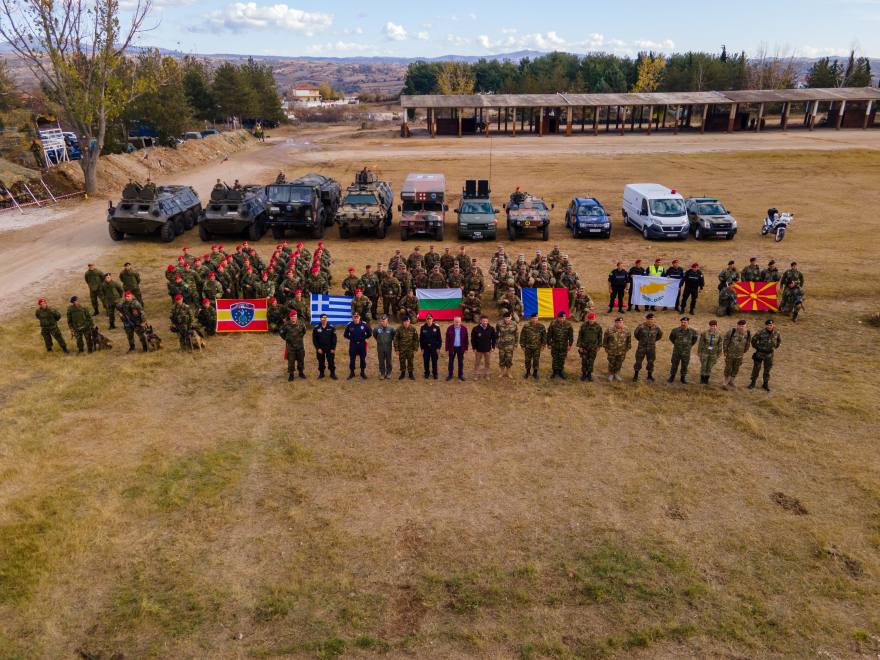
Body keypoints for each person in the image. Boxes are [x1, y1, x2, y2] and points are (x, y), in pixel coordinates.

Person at [749, 319, 781, 391]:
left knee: (767, 369)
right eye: (768, 325)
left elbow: (779, 341)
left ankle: (765, 384)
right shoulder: (761, 332)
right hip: (760, 353)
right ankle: (753, 382)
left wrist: (774, 347)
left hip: (770, 354)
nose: (769, 326)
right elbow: (754, 340)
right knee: (756, 368)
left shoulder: (777, 333)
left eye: (771, 325)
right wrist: (757, 347)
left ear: (773, 325)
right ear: (766, 325)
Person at [668, 317, 698, 384]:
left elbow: (694, 340)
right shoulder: (676, 330)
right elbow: (671, 338)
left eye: (684, 322)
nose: (683, 324)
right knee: (674, 364)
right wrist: (676, 344)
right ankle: (672, 376)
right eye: (682, 322)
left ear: (688, 323)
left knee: (684, 365)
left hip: (686, 352)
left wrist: (688, 345)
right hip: (677, 351)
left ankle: (683, 377)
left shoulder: (692, 331)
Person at [633, 313, 662, 381]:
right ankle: (636, 375)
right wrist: (641, 341)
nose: (650, 321)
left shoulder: (657, 327)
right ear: (646, 319)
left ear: (654, 319)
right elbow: (636, 334)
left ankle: (649, 375)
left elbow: (659, 335)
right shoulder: (641, 326)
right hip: (641, 347)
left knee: (651, 362)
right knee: (638, 361)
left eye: (651, 319)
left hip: (651, 348)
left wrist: (652, 341)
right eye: (649, 319)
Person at [280, 310, 308, 381]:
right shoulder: (286, 325)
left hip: (300, 346)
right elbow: (281, 333)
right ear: (290, 317)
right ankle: (291, 374)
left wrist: (299, 338)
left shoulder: (301, 324)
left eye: (294, 316)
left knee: (301, 360)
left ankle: (301, 373)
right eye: (292, 316)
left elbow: (304, 332)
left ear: (297, 316)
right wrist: (287, 339)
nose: (293, 318)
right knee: (291, 361)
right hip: (290, 347)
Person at [343, 311, 372, 379]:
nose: (356, 319)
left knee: (362, 358)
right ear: (353, 318)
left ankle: (362, 372)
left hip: (362, 343)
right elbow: (345, 335)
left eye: (357, 317)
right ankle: (352, 372)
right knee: (352, 358)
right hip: (353, 344)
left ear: (360, 317)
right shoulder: (349, 325)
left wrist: (363, 338)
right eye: (355, 318)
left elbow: (369, 333)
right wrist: (351, 338)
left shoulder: (364, 325)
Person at [722, 320, 751, 387]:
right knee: (728, 367)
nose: (741, 327)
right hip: (730, 353)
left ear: (745, 326)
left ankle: (732, 380)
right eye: (739, 326)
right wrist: (725, 351)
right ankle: (726, 379)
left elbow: (748, 343)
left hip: (739, 354)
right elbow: (726, 342)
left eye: (742, 326)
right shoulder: (732, 331)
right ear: (737, 325)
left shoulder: (747, 333)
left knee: (736, 367)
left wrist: (744, 351)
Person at [518, 312, 546, 379]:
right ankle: (527, 372)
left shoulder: (541, 326)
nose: (534, 320)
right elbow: (522, 336)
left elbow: (544, 337)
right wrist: (522, 346)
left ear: (538, 318)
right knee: (527, 360)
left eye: (536, 318)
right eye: (533, 318)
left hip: (537, 347)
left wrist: (543, 346)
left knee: (536, 360)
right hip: (528, 347)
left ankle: (535, 373)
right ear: (531, 319)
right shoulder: (526, 325)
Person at [547, 310, 574, 379]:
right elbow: (549, 334)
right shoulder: (553, 323)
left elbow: (571, 336)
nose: (562, 319)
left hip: (564, 345)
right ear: (558, 318)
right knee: (555, 358)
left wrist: (570, 345)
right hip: (555, 344)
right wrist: (549, 344)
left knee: (562, 359)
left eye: (563, 318)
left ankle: (560, 371)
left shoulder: (568, 324)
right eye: (560, 318)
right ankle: (554, 372)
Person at [602, 317, 631, 381]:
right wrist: (606, 347)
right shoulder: (609, 329)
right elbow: (605, 340)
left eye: (620, 322)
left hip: (622, 351)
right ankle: (611, 374)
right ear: (615, 323)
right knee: (611, 362)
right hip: (612, 350)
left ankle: (616, 374)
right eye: (617, 322)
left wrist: (627, 349)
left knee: (619, 362)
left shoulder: (626, 329)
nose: (618, 324)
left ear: (622, 323)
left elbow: (629, 340)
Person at [577, 313, 602, 381]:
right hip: (584, 346)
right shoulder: (584, 325)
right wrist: (580, 346)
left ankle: (589, 374)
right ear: (588, 319)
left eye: (593, 319)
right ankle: (584, 373)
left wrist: (599, 346)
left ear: (595, 319)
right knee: (584, 360)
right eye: (590, 319)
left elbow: (600, 337)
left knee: (591, 361)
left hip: (593, 347)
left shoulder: (598, 326)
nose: (591, 320)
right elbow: (580, 336)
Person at [312, 313, 338, 379]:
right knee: (321, 361)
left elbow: (334, 338)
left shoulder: (331, 327)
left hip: (329, 347)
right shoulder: (316, 327)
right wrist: (318, 348)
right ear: (320, 319)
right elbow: (314, 339)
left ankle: (332, 374)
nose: (324, 320)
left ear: (327, 319)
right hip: (320, 347)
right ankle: (321, 374)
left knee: (331, 361)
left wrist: (333, 348)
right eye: (323, 319)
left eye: (325, 319)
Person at [393, 315, 419, 380]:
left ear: (409, 321)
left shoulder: (413, 329)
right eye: (405, 321)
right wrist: (397, 349)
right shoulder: (399, 329)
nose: (406, 323)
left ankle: (410, 373)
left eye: (407, 321)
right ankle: (403, 373)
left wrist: (415, 349)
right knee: (402, 361)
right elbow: (395, 339)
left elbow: (416, 339)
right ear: (403, 322)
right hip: (402, 349)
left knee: (410, 361)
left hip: (410, 349)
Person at [471, 315, 496, 380]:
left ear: (488, 321)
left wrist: (493, 347)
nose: (485, 322)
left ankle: (487, 374)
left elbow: (494, 339)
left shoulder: (491, 329)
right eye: (483, 321)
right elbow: (473, 339)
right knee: (477, 362)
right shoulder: (475, 329)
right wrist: (474, 348)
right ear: (480, 321)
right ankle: (476, 375)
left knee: (487, 363)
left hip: (488, 350)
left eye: (486, 321)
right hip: (478, 350)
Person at [495, 311, 519, 379]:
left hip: (510, 345)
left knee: (509, 359)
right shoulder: (499, 323)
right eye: (506, 318)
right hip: (501, 345)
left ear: (511, 317)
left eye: (508, 318)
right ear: (504, 318)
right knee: (501, 359)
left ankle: (508, 372)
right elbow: (496, 333)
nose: (507, 319)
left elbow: (516, 335)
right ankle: (502, 372)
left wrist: (515, 345)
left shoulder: (514, 324)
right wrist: (496, 343)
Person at [697, 320, 722, 384]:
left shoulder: (719, 334)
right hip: (705, 352)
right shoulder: (704, 332)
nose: (712, 327)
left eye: (714, 326)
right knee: (703, 366)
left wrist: (719, 353)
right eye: (711, 326)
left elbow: (720, 344)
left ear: (716, 326)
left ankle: (707, 379)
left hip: (713, 353)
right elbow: (701, 342)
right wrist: (699, 351)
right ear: (709, 326)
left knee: (710, 366)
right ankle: (702, 379)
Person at [445, 315, 468, 381]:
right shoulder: (449, 328)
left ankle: (460, 375)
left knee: (460, 362)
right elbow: (447, 340)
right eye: (456, 322)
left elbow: (466, 339)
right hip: (452, 348)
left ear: (461, 321)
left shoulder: (464, 328)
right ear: (454, 321)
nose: (457, 323)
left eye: (459, 322)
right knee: (451, 362)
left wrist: (466, 348)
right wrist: (447, 349)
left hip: (461, 348)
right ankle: (450, 375)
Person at [419, 313, 442, 379]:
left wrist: (438, 348)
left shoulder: (436, 327)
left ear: (432, 319)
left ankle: (435, 373)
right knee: (426, 360)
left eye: (430, 319)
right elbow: (421, 339)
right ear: (426, 319)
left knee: (434, 360)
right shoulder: (423, 327)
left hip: (434, 347)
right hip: (426, 347)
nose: (429, 320)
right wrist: (422, 348)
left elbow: (439, 339)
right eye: (428, 319)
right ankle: (426, 373)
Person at [374, 314, 396, 379]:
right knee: (381, 360)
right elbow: (375, 335)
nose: (382, 322)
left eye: (383, 321)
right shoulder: (376, 328)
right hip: (380, 346)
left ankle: (388, 373)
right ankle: (382, 373)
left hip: (388, 346)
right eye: (381, 321)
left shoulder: (391, 328)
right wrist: (379, 340)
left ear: (387, 320)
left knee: (388, 360)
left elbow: (393, 336)